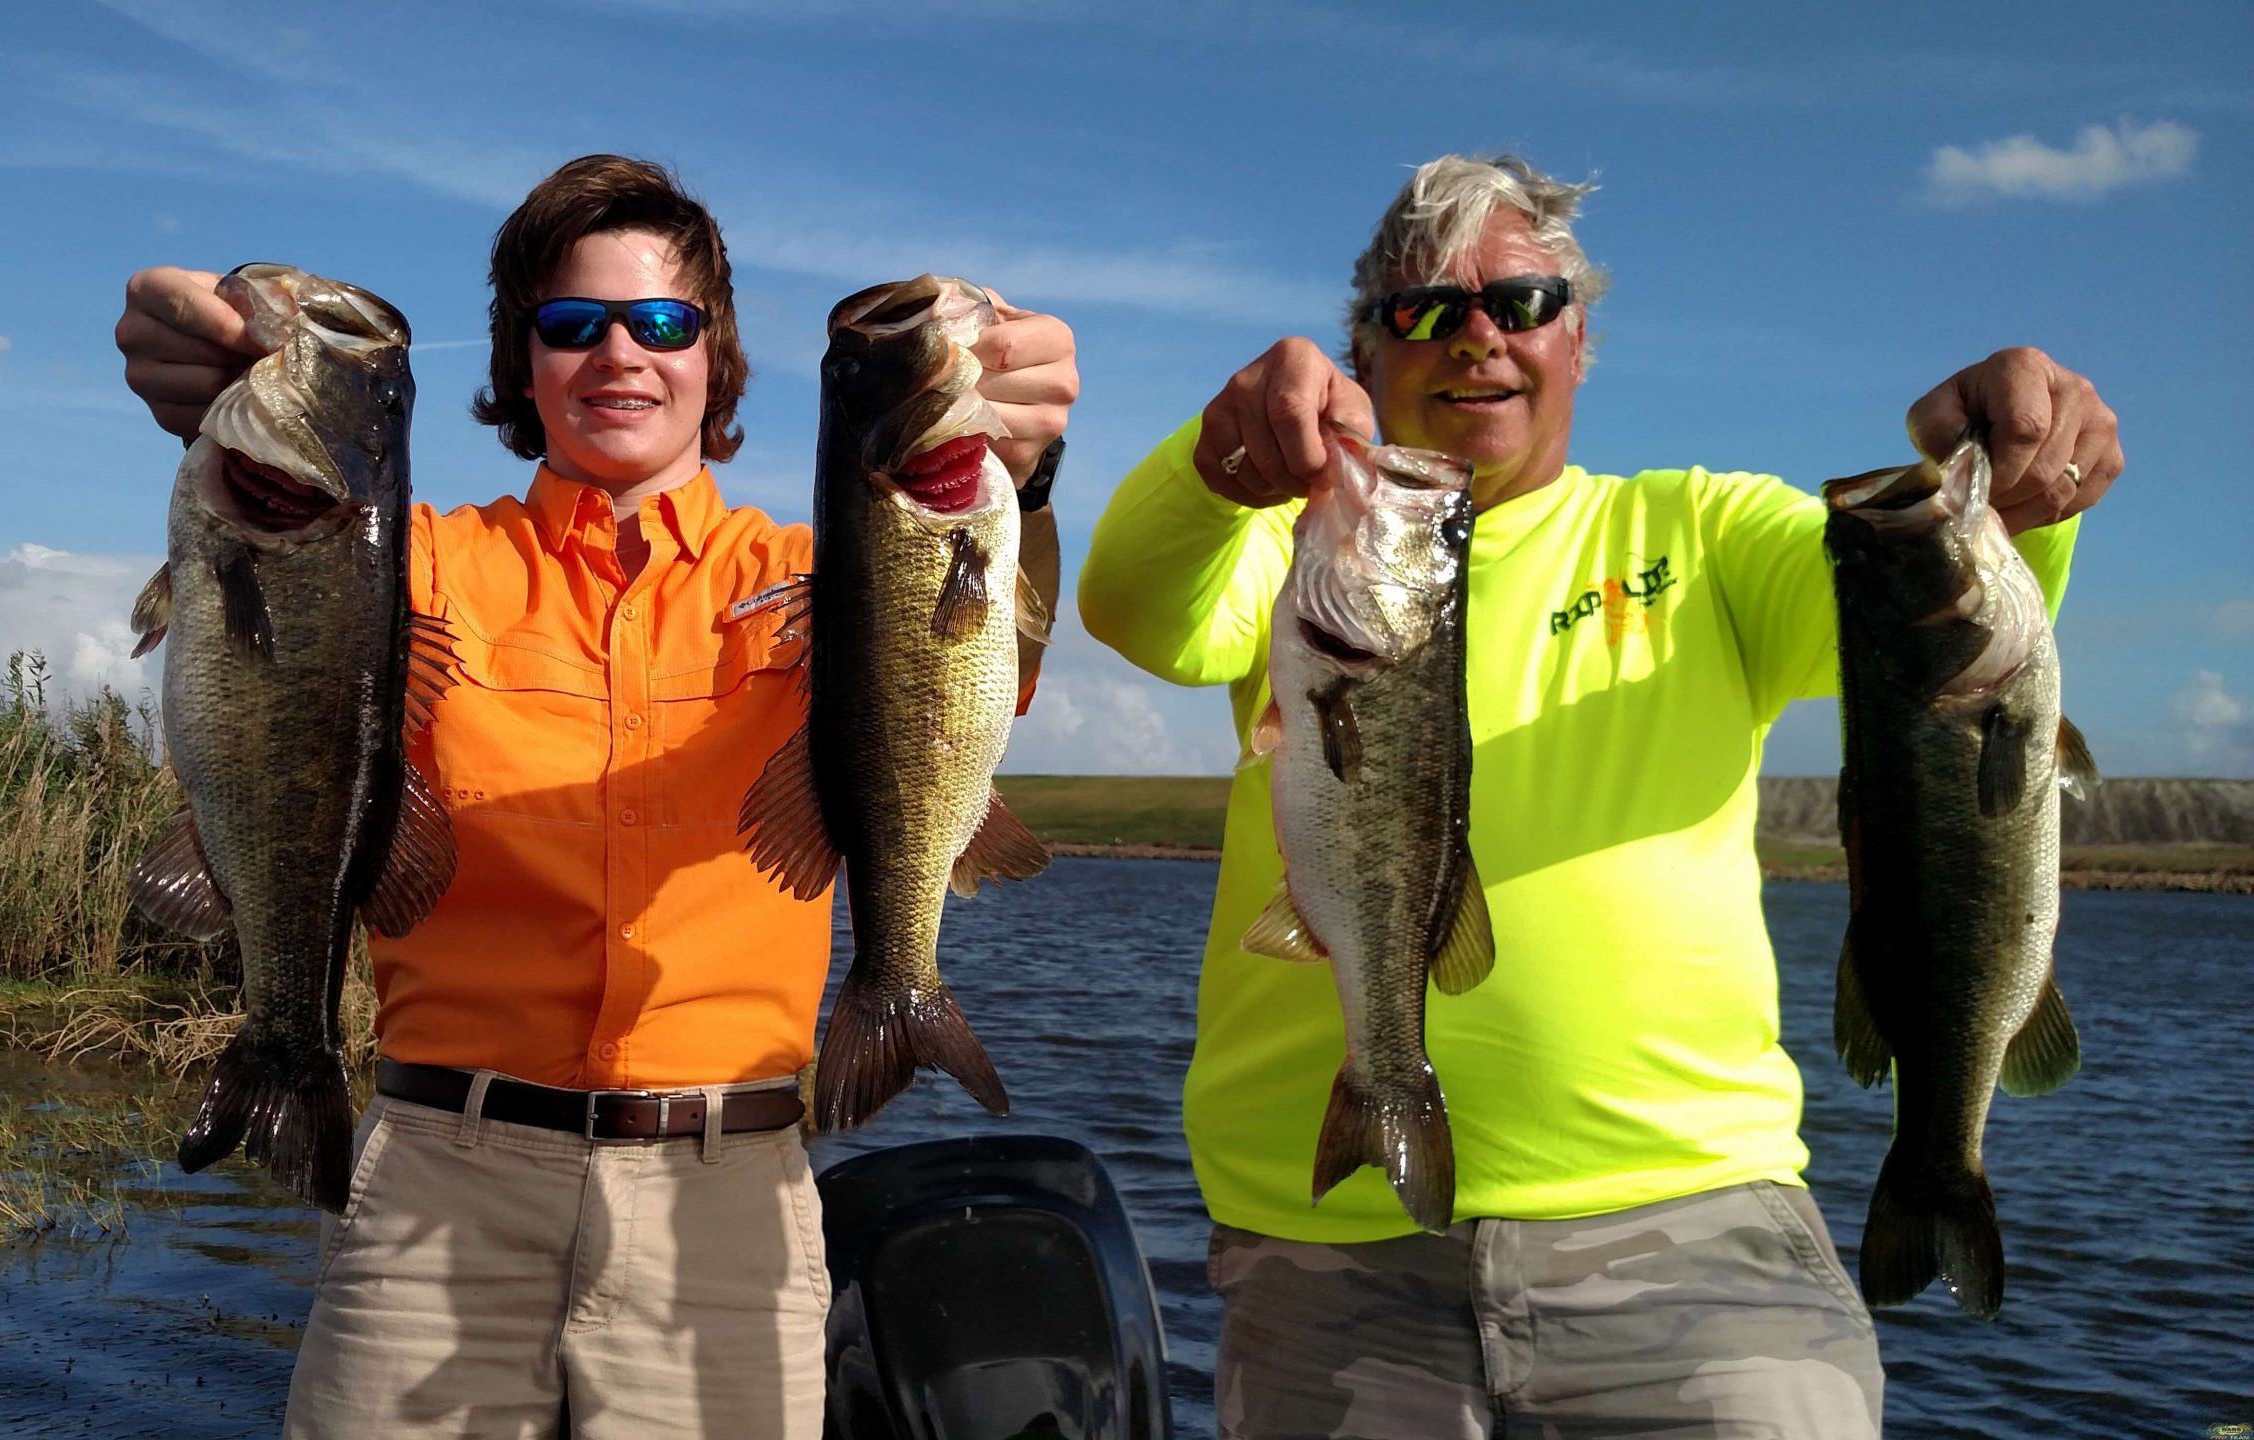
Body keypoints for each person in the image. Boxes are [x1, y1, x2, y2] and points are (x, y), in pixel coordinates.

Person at [1076, 153, 2118, 1438]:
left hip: (1695, 1229)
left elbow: (1926, 638)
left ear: (1577, 340)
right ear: (1364, 348)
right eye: (1422, 310)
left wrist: (2018, 489)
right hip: (1332, 1244)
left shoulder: (1704, 530)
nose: (1476, 338)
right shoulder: (1305, 552)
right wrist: (1215, 465)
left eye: (1521, 302)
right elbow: (1134, 605)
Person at [113, 153, 1078, 1439]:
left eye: (661, 322)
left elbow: (978, 684)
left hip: (724, 1200)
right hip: (437, 1181)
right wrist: (214, 354)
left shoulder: (825, 566)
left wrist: (1027, 475)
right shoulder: (407, 557)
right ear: (522, 365)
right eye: (572, 325)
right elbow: (279, 623)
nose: (618, 353)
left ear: (714, 356)